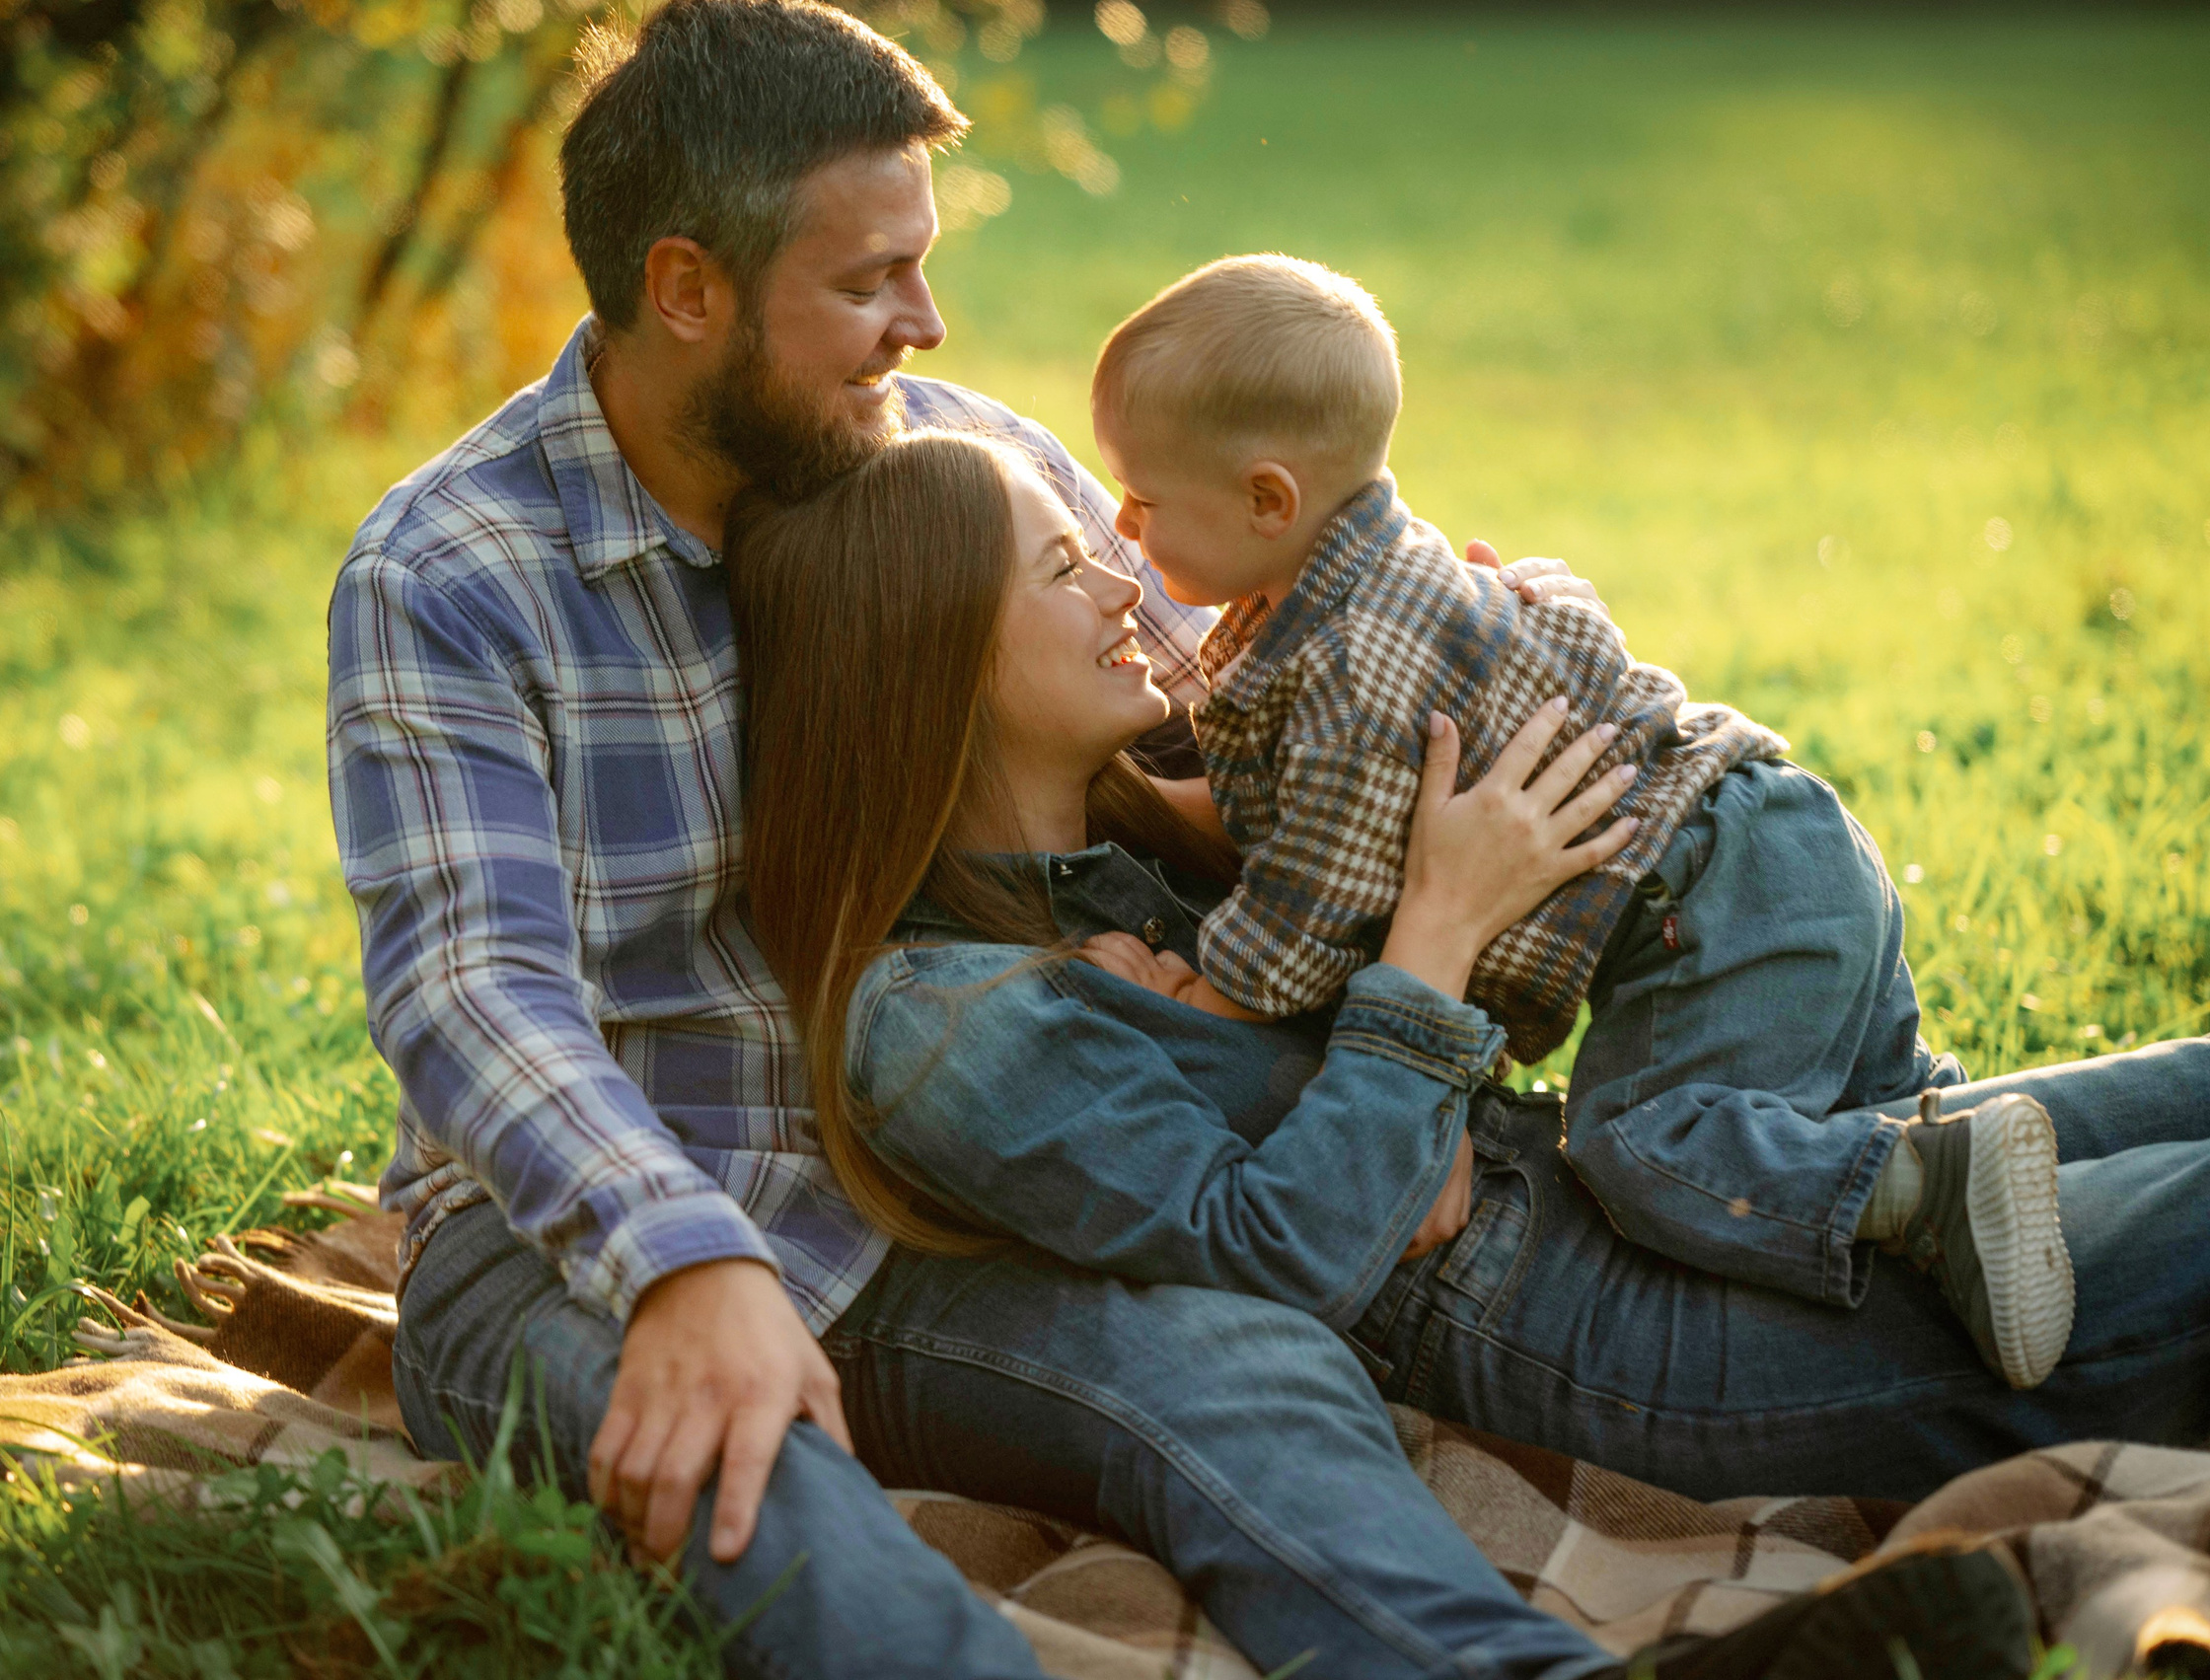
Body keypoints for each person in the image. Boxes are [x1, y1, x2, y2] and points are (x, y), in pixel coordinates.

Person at [330, 1, 2034, 1675]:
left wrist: (1457, 683)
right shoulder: (454, 576)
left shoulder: (962, 455)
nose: (928, 325)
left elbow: (1209, 705)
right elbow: (474, 994)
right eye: (869, 281)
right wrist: (686, 1257)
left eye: (922, 264)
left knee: (1239, 1367)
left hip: (931, 1198)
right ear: (685, 287)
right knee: (742, 1441)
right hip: (584, 1232)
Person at [724, 426, 2210, 1530]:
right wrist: (1425, 956)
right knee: (2149, 1249)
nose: (1126, 575)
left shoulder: (1161, 845)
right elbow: (1294, 1252)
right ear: (932, 664)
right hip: (1609, 1331)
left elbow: (1416, 683)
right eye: (1064, 564)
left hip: (1644, 1183)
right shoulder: (933, 1024)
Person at [1077, 254, 2072, 1386]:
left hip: (1704, 903)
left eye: (1143, 501)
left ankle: (1933, 1189)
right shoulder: (1365, 579)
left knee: (1639, 1150)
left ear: (1267, 499)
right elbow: (1289, 804)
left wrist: (1197, 994)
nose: (1119, 524)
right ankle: (1966, 1181)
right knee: (1861, 1110)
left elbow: (1312, 902)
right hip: (1765, 840)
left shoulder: (1349, 670)